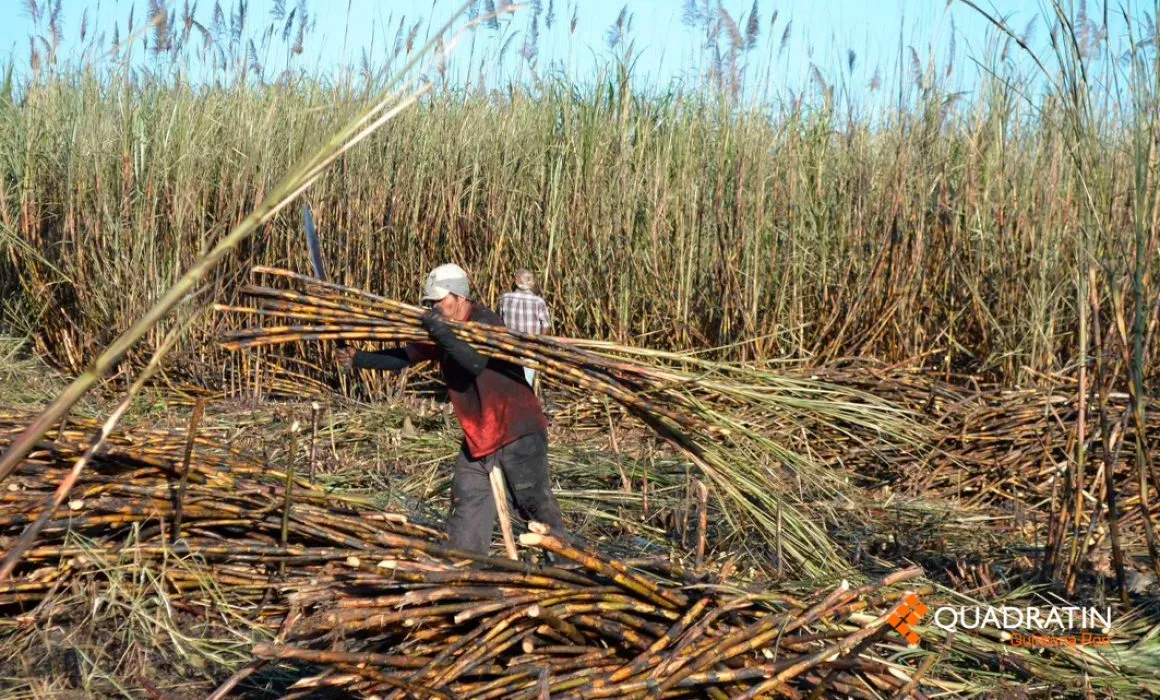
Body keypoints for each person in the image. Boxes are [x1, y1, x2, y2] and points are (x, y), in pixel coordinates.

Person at [336, 263, 568, 556]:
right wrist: (360, 358)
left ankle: (563, 562)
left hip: (517, 431)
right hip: (480, 436)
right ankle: (465, 569)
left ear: (459, 297)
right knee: (467, 499)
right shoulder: (444, 328)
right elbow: (406, 356)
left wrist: (440, 331)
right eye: (430, 304)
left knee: (534, 502)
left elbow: (474, 362)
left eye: (438, 302)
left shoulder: (486, 322)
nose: (434, 308)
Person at [498, 269, 553, 391]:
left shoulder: (505, 298)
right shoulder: (538, 301)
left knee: (510, 380)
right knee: (526, 384)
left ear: (516, 282)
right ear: (531, 283)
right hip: (529, 347)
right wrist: (538, 341)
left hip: (509, 346)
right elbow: (546, 325)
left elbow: (500, 321)